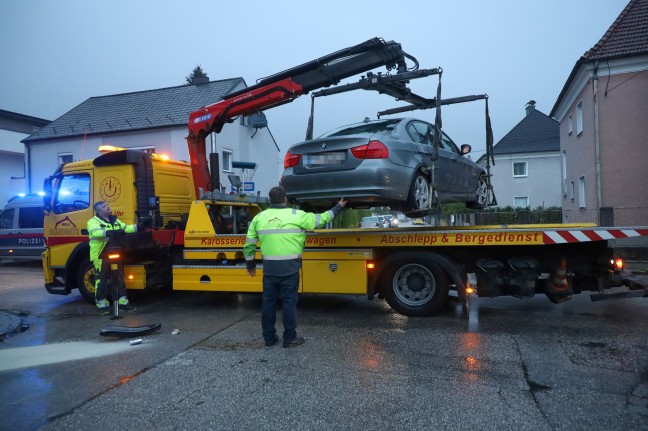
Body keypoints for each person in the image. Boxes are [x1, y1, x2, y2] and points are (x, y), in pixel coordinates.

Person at [244, 186, 346, 348]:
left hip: (270, 270)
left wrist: (250, 263)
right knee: (289, 303)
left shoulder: (260, 217)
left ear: (270, 200)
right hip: (290, 269)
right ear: (285, 199)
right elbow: (322, 220)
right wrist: (338, 206)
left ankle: (269, 338)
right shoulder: (296, 215)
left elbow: (249, 242)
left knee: (268, 303)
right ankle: (289, 338)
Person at [87, 201, 149, 315]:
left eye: (107, 205)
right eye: (104, 207)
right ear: (99, 211)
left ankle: (123, 303)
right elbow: (95, 233)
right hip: (100, 255)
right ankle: (102, 305)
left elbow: (126, 228)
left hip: (115, 252)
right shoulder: (93, 221)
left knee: (120, 278)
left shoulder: (114, 220)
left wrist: (139, 226)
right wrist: (110, 232)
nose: (107, 207)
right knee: (101, 279)